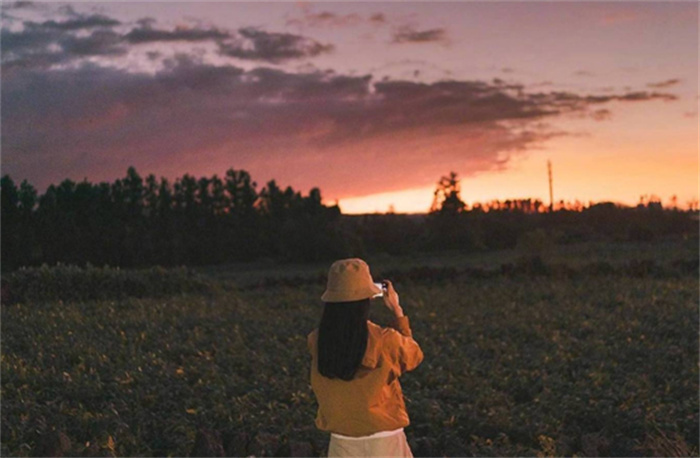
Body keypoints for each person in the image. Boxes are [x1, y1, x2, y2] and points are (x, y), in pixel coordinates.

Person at [307, 258, 424, 457]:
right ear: (368, 298)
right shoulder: (384, 339)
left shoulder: (317, 340)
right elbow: (414, 355)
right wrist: (397, 311)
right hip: (384, 439)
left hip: (341, 439)